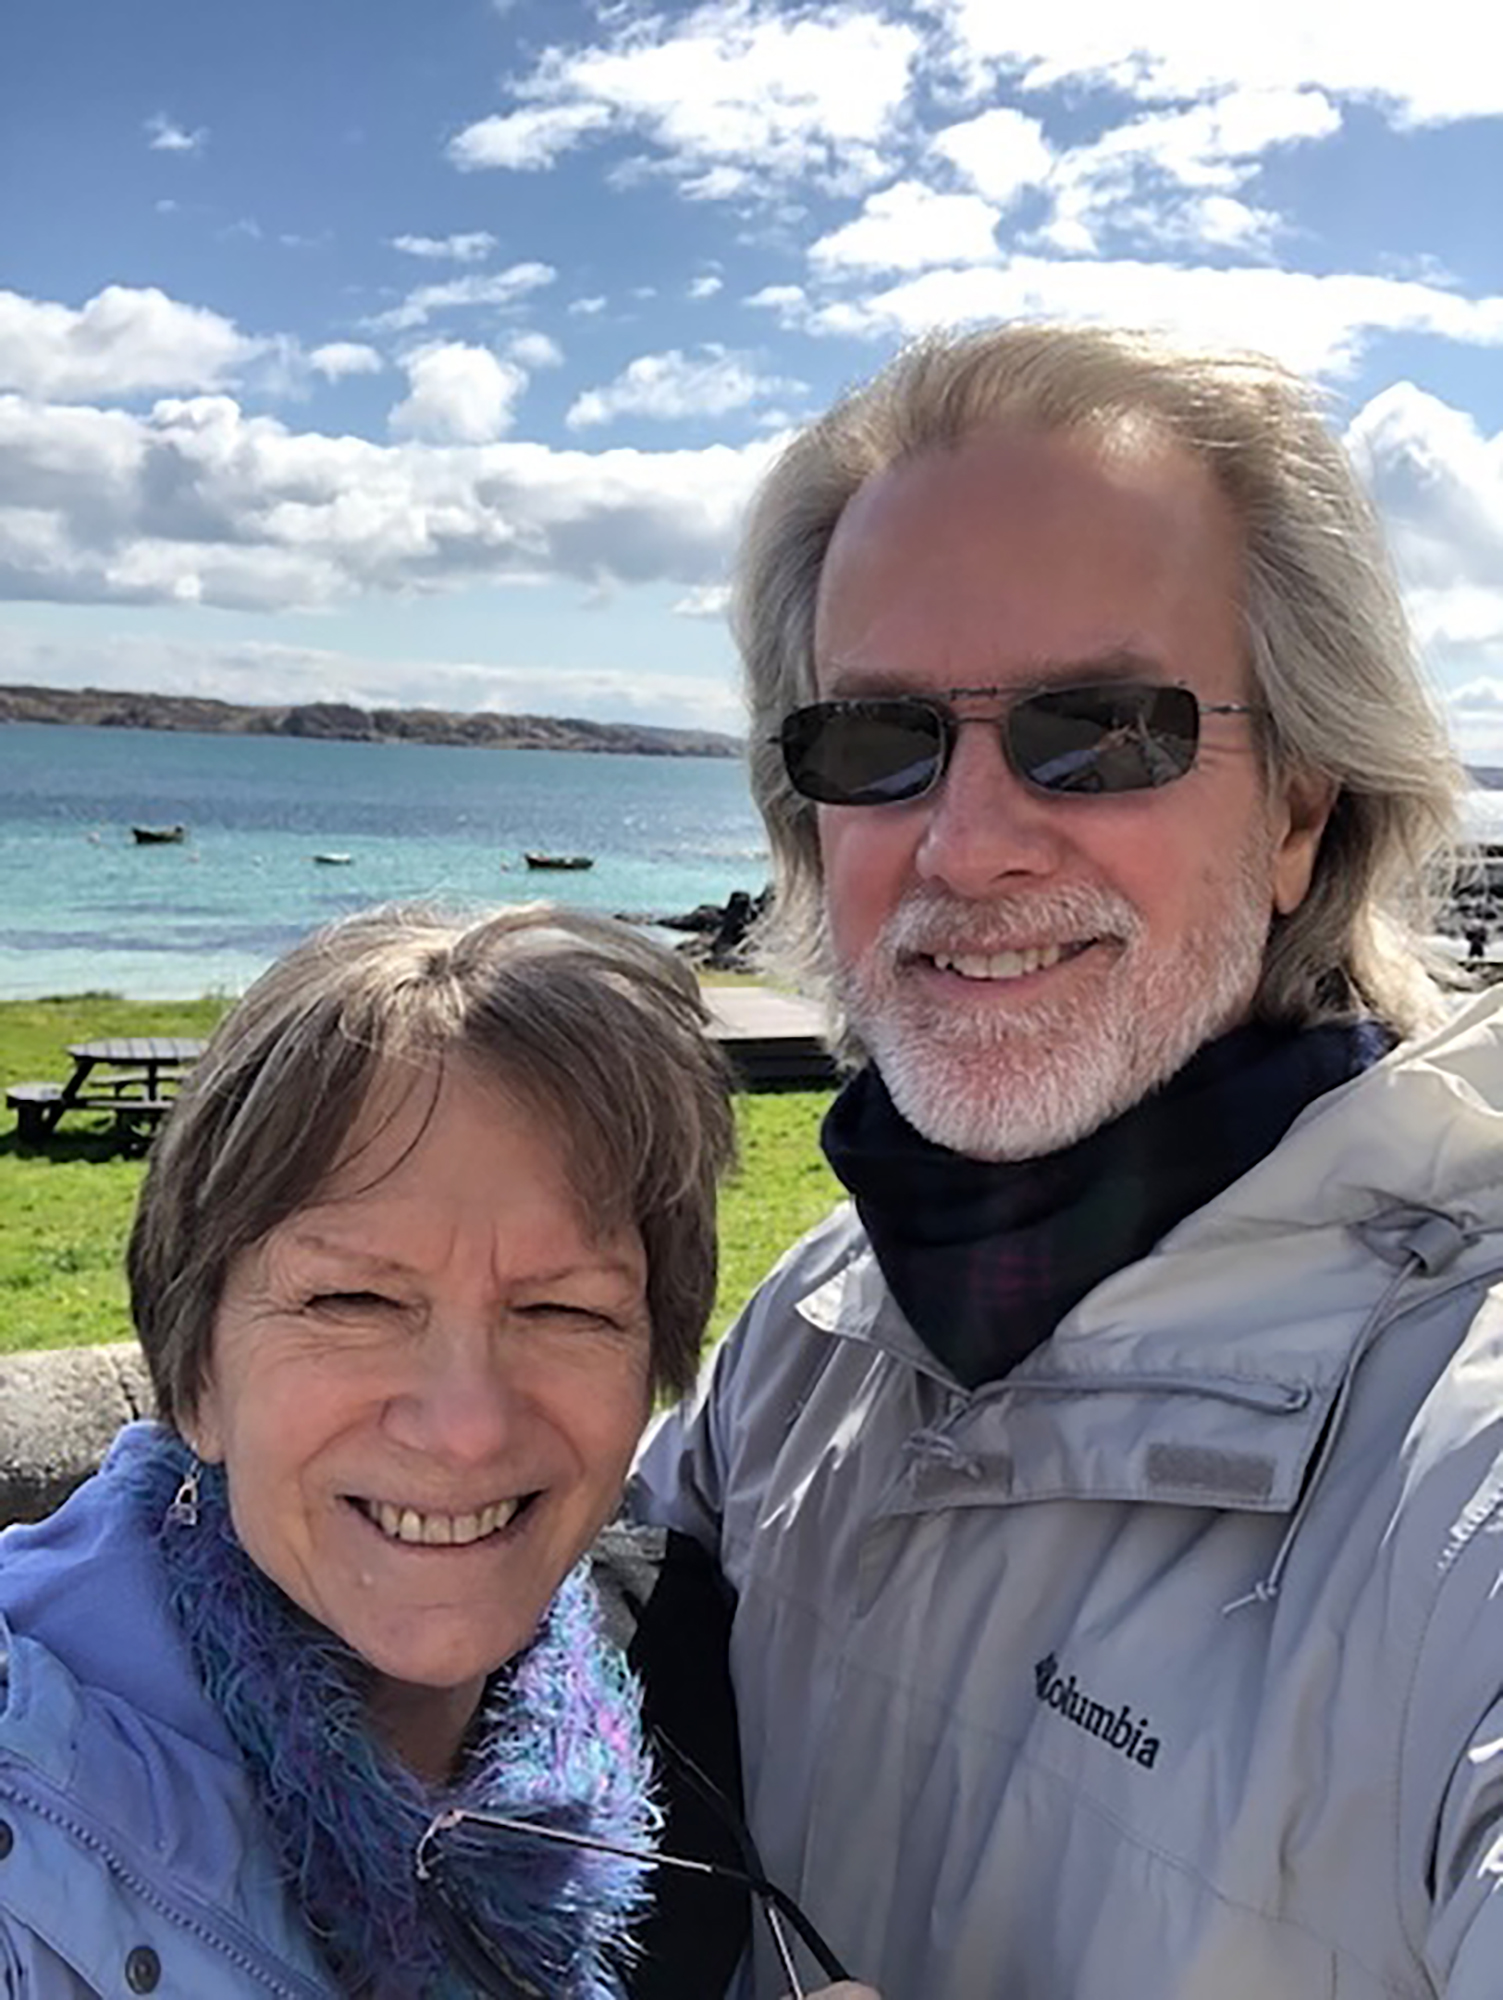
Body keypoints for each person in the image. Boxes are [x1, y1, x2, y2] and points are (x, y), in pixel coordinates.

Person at [630, 322, 1503, 2000]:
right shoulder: (814, 1333)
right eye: (876, 742)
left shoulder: (1451, 1475)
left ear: (1302, 811)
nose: (962, 844)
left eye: (1098, 732)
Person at [0, 901, 795, 1998]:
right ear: (194, 1370)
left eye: (564, 1309)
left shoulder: (673, 1722)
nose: (465, 1422)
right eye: (356, 1298)